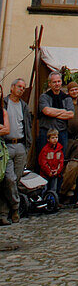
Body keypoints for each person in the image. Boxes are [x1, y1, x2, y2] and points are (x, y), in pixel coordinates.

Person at [2, 78, 32, 221]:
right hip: (6, 145)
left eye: (23, 87)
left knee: (16, 179)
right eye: (19, 86)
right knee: (9, 179)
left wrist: (27, 145)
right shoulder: (4, 103)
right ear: (12, 87)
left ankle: (4, 213)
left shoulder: (24, 106)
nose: (21, 89)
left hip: (20, 145)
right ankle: (15, 206)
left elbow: (27, 126)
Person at [60, 80, 78, 204]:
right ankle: (63, 192)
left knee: (75, 166)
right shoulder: (64, 104)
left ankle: (74, 193)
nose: (74, 92)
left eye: (76, 89)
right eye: (72, 90)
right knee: (65, 167)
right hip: (68, 138)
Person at [38, 71, 74, 159]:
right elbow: (47, 111)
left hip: (62, 133)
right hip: (46, 132)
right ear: (49, 84)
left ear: (61, 82)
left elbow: (71, 114)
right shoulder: (44, 97)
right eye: (54, 82)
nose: (57, 84)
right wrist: (63, 111)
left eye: (58, 81)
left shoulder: (67, 98)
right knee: (44, 158)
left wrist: (53, 112)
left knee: (61, 158)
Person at [38, 128, 65, 195]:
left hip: (55, 173)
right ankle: (43, 201)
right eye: (52, 138)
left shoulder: (59, 149)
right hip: (45, 173)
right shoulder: (45, 150)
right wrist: (48, 171)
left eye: (56, 137)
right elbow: (43, 162)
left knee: (54, 189)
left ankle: (53, 201)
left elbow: (61, 162)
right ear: (48, 139)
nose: (55, 139)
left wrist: (57, 171)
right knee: (45, 188)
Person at [0, 85, 12, 226]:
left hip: (1, 149)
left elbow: (7, 129)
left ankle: (4, 213)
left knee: (4, 180)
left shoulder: (3, 111)